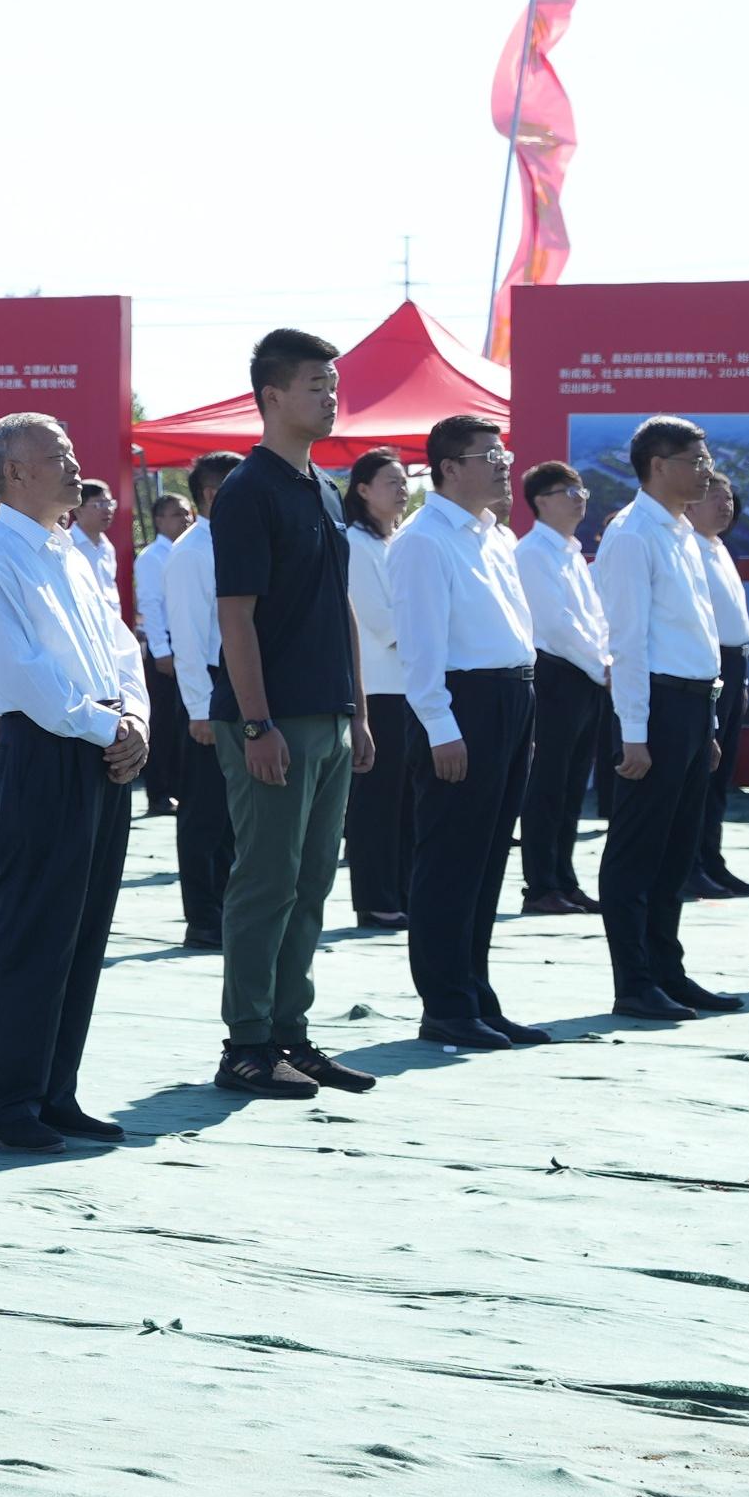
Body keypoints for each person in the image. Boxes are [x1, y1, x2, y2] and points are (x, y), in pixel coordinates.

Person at [0, 411, 151, 1151]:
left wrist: (135, 718)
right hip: (48, 746)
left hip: (102, 741)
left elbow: (120, 647)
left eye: (69, 449)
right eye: (55, 454)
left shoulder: (72, 552)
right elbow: (21, 677)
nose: (73, 464)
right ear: (12, 473)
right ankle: (6, 1103)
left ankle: (53, 1090)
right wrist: (111, 728)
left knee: (83, 927)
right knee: (33, 927)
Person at [205, 330, 379, 1099]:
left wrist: (360, 712)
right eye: (315, 384)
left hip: (330, 717)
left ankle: (289, 1032)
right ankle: (245, 1044)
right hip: (272, 722)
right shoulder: (247, 491)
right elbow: (234, 617)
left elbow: (339, 608)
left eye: (332, 384)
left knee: (310, 883)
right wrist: (255, 724)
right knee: (265, 881)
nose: (329, 396)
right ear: (271, 396)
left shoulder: (322, 488)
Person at [385, 415, 547, 1050]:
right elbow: (420, 647)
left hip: (511, 696)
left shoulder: (494, 535)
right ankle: (447, 1005)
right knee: (450, 860)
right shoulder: (424, 540)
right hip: (462, 704)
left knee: (486, 860)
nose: (503, 464)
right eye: (488, 454)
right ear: (449, 468)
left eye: (503, 452)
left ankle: (477, 995)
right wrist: (440, 727)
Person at [595, 419, 731, 1020]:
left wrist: (710, 729)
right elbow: (626, 642)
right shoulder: (632, 535)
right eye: (694, 459)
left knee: (677, 850)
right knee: (636, 851)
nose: (705, 469)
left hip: (693, 706)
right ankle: (635, 981)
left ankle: (667, 971)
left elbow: (693, 635)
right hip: (653, 704)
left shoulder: (680, 531)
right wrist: (634, 733)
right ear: (657, 465)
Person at [514, 462, 613, 915]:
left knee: (574, 786)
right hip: (556, 675)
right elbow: (556, 625)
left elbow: (594, 619)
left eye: (581, 489)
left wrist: (604, 662)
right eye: (567, 490)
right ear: (541, 501)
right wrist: (601, 665)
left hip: (586, 676)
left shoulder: (571, 552)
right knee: (548, 785)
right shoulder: (532, 552)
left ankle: (564, 878)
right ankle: (540, 886)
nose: (579, 497)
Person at [157, 452, 242, 949]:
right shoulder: (192, 551)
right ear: (212, 493)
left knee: (235, 812)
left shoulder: (235, 540)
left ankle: (229, 905)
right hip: (209, 685)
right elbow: (188, 637)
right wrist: (200, 708)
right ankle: (204, 916)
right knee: (205, 812)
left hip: (238, 682)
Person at [337, 450, 421, 932]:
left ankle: (403, 889)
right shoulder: (356, 544)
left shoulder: (397, 542)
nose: (402, 488)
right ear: (363, 490)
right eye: (391, 480)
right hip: (379, 688)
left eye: (405, 480)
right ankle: (375, 897)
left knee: (408, 799)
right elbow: (380, 619)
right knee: (377, 801)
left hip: (408, 686)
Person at [688, 478, 749, 902]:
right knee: (700, 774)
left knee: (720, 777)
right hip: (706, 667)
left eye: (729, 498)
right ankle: (689, 865)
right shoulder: (690, 550)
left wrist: (743, 679)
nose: (725, 505)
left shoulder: (718, 548)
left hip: (733, 665)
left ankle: (711, 861)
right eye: (714, 497)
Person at [134, 491, 194, 820]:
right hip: (166, 646)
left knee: (183, 721)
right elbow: (151, 607)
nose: (185, 519)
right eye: (176, 514)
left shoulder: (188, 550)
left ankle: (176, 787)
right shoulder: (152, 557)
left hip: (186, 643)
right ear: (159, 520)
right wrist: (161, 651)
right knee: (164, 722)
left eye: (187, 513)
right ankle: (158, 792)